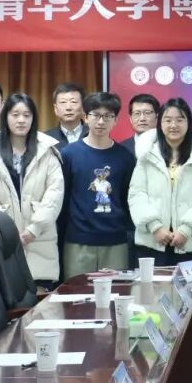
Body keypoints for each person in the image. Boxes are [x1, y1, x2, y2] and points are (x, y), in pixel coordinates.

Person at [0, 93, 64, 286]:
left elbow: (54, 195)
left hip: (40, 240)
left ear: (33, 118)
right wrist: (7, 229)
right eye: (15, 114)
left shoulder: (47, 150)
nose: (21, 120)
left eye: (27, 115)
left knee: (41, 299)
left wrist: (33, 230)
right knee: (6, 296)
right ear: (5, 116)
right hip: (1, 239)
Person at [129, 98, 192, 265]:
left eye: (180, 120)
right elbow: (137, 194)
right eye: (168, 120)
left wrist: (186, 230)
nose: (173, 125)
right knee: (153, 283)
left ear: (189, 123)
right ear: (160, 123)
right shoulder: (147, 154)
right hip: (153, 240)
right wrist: (155, 227)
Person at [58, 92, 136, 275]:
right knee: (77, 291)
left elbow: (128, 198)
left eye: (108, 116)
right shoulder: (69, 154)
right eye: (95, 115)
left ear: (116, 120)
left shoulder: (125, 157)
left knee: (115, 291)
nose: (101, 121)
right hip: (78, 241)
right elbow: (63, 198)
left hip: (116, 241)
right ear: (85, 117)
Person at [46, 83, 86, 149]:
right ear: (55, 109)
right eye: (63, 102)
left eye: (73, 102)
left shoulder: (94, 135)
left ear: (83, 107)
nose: (68, 108)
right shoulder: (46, 138)